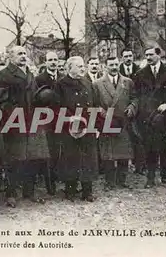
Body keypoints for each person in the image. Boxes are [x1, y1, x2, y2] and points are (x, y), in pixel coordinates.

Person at [0, 46, 50, 207]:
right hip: (14, 122)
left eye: (25, 53)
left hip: (31, 122)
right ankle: (11, 194)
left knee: (30, 158)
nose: (23, 56)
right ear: (10, 56)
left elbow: (35, 95)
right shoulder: (3, 74)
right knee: (13, 159)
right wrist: (11, 114)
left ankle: (29, 191)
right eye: (19, 54)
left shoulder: (30, 73)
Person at [132, 47, 166, 188]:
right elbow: (137, 95)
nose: (148, 57)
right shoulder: (140, 74)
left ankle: (165, 176)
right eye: (146, 55)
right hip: (147, 117)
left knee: (165, 148)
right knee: (149, 148)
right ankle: (150, 178)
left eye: (151, 54)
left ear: (158, 55)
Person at [54, 56, 99, 202]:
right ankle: (70, 189)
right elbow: (57, 107)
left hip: (87, 127)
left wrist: (95, 125)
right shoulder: (60, 84)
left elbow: (94, 105)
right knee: (70, 159)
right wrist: (71, 121)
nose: (82, 68)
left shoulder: (87, 83)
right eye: (78, 66)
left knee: (88, 160)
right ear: (69, 68)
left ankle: (87, 191)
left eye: (82, 66)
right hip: (69, 128)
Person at [93, 57, 136, 190]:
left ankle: (122, 180)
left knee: (123, 153)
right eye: (111, 64)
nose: (114, 67)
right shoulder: (97, 83)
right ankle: (109, 182)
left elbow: (135, 98)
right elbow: (93, 103)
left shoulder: (127, 82)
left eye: (116, 64)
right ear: (105, 66)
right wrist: (99, 110)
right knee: (108, 155)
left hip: (123, 121)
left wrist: (132, 107)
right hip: (107, 121)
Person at [35, 51, 61, 195]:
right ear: (45, 62)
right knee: (48, 152)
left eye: (55, 60)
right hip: (47, 121)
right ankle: (49, 184)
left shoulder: (62, 79)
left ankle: (58, 178)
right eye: (50, 60)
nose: (53, 62)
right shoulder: (39, 79)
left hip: (61, 119)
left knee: (58, 150)